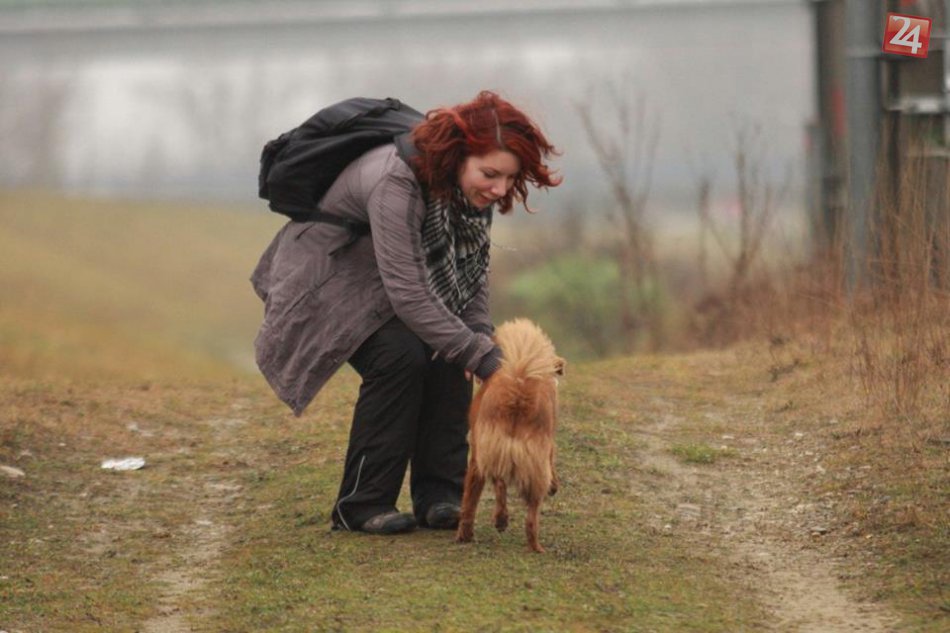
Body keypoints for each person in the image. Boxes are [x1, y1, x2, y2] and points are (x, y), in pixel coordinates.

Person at [251, 91, 561, 535]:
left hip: (386, 279)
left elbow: (470, 270)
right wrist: (481, 357)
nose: (498, 189)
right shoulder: (395, 181)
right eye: (490, 174)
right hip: (330, 277)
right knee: (400, 356)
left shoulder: (471, 191)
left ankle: (441, 496)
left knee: (453, 351)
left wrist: (480, 337)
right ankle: (361, 504)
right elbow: (408, 293)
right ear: (459, 155)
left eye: (509, 178)